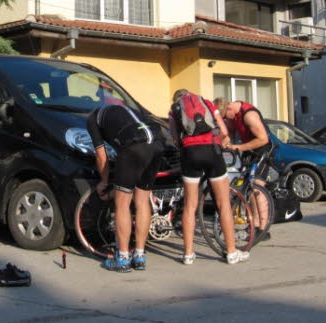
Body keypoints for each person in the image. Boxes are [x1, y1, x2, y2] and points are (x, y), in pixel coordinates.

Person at [169, 89, 250, 265]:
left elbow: (175, 139)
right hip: (211, 150)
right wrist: (222, 142)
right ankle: (231, 252)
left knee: (190, 206)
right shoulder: (206, 103)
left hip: (190, 153)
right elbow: (223, 130)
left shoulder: (174, 110)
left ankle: (188, 254)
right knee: (223, 204)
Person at [86, 103, 165, 272]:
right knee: (142, 202)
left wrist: (104, 181)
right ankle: (140, 256)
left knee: (122, 204)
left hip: (133, 147)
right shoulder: (127, 110)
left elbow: (101, 155)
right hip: (156, 145)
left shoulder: (92, 119)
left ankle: (122, 258)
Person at [220, 99, 272, 241]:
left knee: (257, 188)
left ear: (229, 109)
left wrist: (239, 147)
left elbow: (263, 139)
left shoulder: (249, 116)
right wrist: (222, 144)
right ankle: (254, 225)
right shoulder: (233, 115)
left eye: (225, 117)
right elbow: (230, 132)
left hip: (262, 150)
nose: (225, 120)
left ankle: (263, 228)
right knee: (248, 189)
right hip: (250, 150)